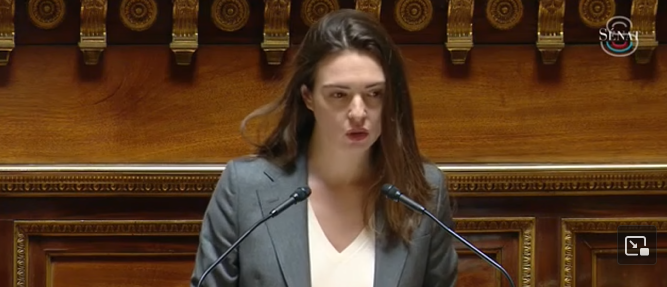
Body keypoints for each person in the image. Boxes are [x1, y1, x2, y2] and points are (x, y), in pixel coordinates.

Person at [190, 8, 458, 287]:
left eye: (374, 94)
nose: (358, 112)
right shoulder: (245, 189)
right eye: (339, 95)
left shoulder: (424, 193)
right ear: (308, 97)